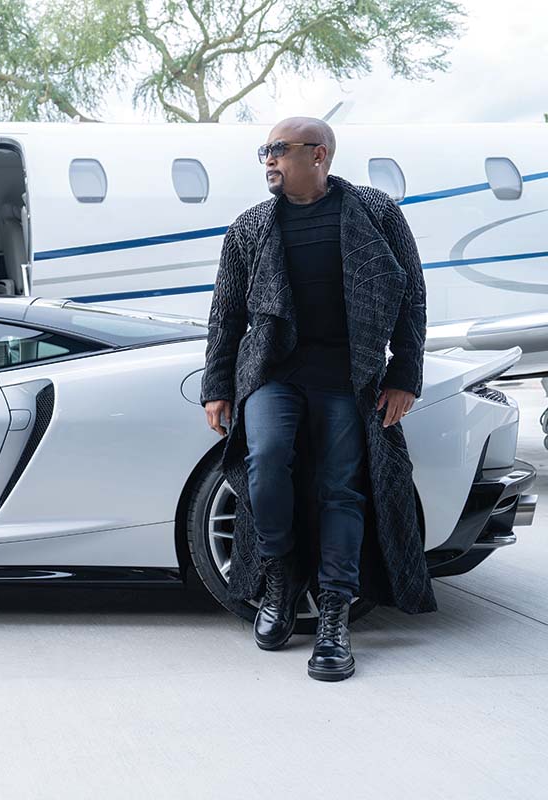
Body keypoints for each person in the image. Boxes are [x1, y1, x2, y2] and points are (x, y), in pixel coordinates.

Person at [200, 116, 433, 682]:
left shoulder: (376, 212)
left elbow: (413, 297)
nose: (269, 161)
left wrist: (404, 374)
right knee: (266, 464)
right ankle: (281, 578)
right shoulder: (250, 226)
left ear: (320, 155)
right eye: (266, 151)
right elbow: (226, 311)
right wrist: (218, 387)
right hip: (274, 372)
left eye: (279, 150)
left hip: (348, 376)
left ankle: (334, 616)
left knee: (341, 490)